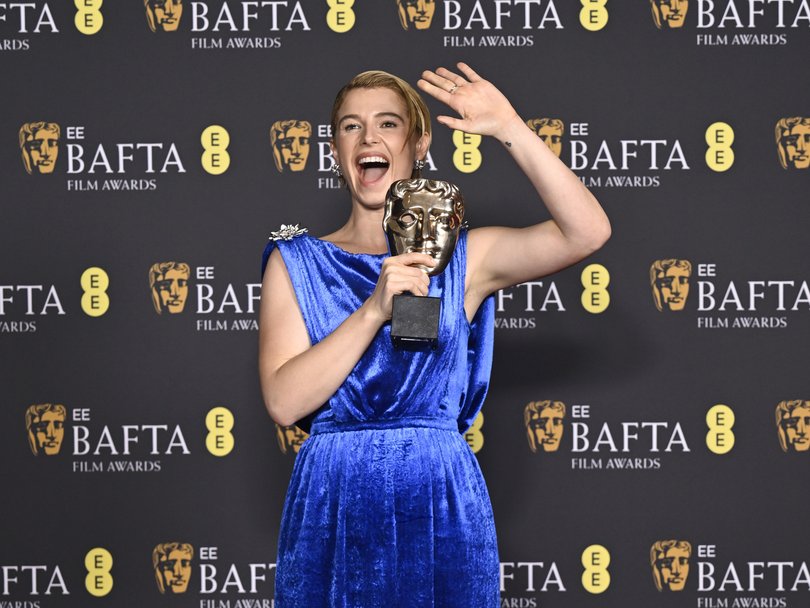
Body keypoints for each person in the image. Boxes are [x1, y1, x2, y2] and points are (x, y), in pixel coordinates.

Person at [259, 63, 610, 606]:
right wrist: (373, 309)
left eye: (387, 124)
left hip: (438, 499)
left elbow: (586, 232)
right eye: (351, 126)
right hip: (333, 500)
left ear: (419, 144)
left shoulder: (464, 260)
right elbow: (284, 403)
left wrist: (509, 126)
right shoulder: (294, 261)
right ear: (334, 149)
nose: (368, 138)